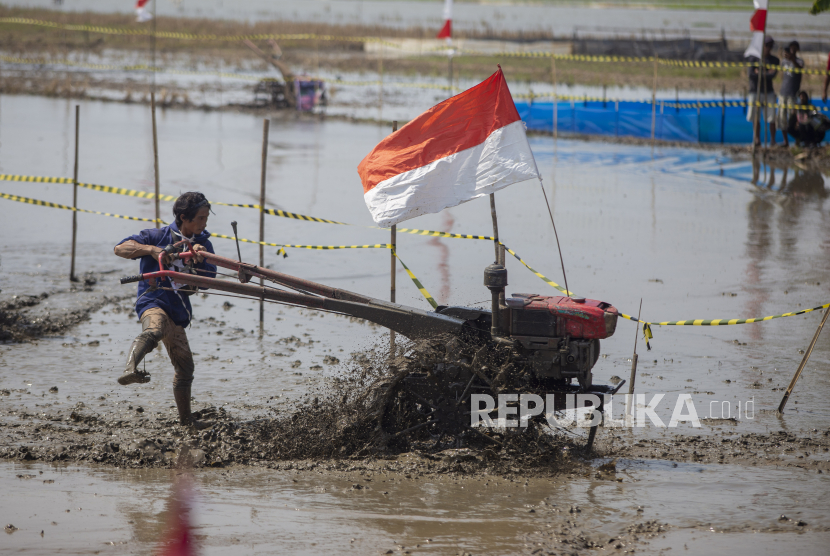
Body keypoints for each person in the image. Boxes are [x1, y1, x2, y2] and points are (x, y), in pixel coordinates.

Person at [113, 192, 217, 430]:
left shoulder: (205, 244)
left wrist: (199, 260)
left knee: (185, 368)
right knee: (155, 328)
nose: (205, 223)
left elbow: (209, 281)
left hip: (178, 312)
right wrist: (151, 250)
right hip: (153, 301)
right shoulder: (156, 236)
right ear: (184, 218)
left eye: (206, 218)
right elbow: (120, 248)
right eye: (200, 218)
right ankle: (130, 369)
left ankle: (186, 421)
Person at [747, 36, 780, 147]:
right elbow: (751, 74)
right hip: (755, 91)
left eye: (771, 46)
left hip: (768, 92)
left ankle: (772, 140)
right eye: (767, 45)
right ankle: (756, 139)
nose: (769, 48)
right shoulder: (754, 58)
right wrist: (765, 73)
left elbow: (773, 75)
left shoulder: (774, 60)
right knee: (755, 117)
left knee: (771, 117)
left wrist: (760, 73)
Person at [777, 41, 804, 148]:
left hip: (793, 93)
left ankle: (798, 140)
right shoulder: (784, 62)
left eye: (794, 48)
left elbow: (799, 69)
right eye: (790, 48)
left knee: (793, 119)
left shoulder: (799, 61)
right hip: (783, 92)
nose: (792, 50)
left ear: (797, 49)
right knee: (781, 117)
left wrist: (792, 59)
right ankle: (785, 142)